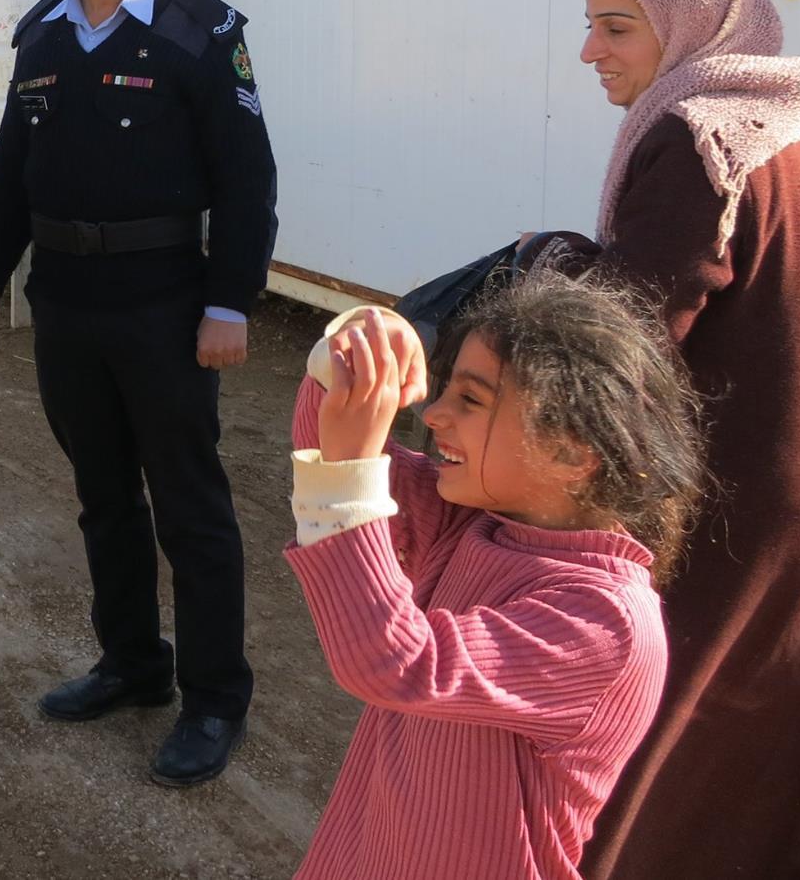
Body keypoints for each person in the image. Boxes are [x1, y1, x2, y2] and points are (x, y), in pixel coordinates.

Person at [0, 0, 277, 785]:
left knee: (190, 504)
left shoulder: (201, 31)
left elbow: (249, 182)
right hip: (66, 301)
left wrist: (230, 300)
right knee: (104, 496)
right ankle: (135, 664)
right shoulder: (44, 36)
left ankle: (215, 697)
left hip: (168, 303)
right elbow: (12, 172)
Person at [284, 281, 704, 880]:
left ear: (571, 452)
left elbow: (394, 660)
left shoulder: (608, 624)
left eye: (472, 399)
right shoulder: (475, 517)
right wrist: (360, 344)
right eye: (446, 385)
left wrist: (351, 469)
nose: (433, 415)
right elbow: (321, 450)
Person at [571, 0, 800, 880]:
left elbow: (625, 348)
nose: (592, 52)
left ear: (690, 29)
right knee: (765, 739)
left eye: (618, 28)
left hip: (720, 504)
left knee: (657, 742)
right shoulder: (789, 126)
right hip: (787, 488)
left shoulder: (697, 136)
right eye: (589, 26)